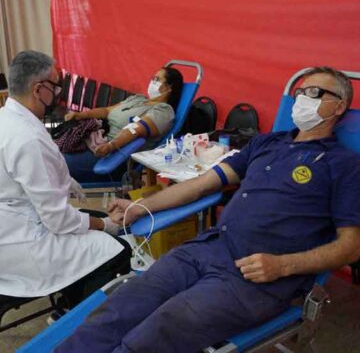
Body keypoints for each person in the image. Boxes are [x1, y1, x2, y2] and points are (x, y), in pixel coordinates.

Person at [56, 67, 360, 353]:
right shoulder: (267, 143)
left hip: (255, 276)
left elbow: (352, 246)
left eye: (315, 93)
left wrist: (283, 266)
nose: (302, 99)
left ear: (338, 106)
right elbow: (203, 184)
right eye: (300, 92)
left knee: (156, 331)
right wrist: (139, 206)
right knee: (121, 307)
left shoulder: (344, 165)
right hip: (207, 248)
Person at [0, 50, 131, 314]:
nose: (58, 92)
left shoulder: (8, 118)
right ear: (39, 89)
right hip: (22, 244)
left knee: (89, 221)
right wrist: (104, 226)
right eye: (56, 85)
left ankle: (68, 301)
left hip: (12, 224)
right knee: (116, 250)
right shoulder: (27, 138)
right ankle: (74, 319)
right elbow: (57, 220)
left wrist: (64, 179)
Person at [63, 66, 183, 182]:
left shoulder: (163, 110)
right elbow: (106, 111)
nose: (152, 82)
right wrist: (79, 115)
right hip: (95, 142)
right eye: (152, 78)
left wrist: (110, 146)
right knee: (52, 154)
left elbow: (136, 129)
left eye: (157, 80)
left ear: (169, 88)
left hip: (113, 156)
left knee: (56, 164)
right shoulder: (138, 99)